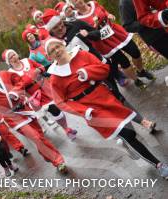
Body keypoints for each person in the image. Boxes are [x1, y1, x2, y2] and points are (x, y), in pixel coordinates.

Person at [44, 38, 168, 178]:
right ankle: (159, 165)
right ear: (49, 56)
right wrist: (83, 111)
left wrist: (87, 72)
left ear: (63, 45)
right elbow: (61, 103)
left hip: (106, 97)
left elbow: (104, 69)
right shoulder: (55, 77)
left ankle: (128, 143)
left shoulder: (82, 54)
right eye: (52, 51)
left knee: (129, 131)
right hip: (92, 111)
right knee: (129, 135)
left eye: (57, 46)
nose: (56, 51)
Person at [41, 8, 156, 131]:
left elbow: (98, 34)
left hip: (99, 67)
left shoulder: (76, 25)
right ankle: (127, 130)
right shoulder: (53, 44)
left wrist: (88, 34)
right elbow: (56, 64)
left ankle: (142, 122)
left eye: (60, 23)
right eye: (56, 27)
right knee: (109, 103)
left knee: (116, 96)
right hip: (82, 80)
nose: (60, 27)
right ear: (51, 30)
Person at [0, 63, 68, 173]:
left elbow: (20, 81)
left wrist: (15, 91)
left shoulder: (5, 74)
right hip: (13, 117)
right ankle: (58, 161)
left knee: (40, 136)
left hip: (25, 109)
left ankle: (47, 155)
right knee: (36, 138)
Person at [71, 0, 155, 89]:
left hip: (115, 32)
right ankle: (136, 80)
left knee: (135, 51)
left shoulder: (93, 4)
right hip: (103, 42)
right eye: (74, 1)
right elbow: (87, 34)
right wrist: (95, 26)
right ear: (73, 6)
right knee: (124, 62)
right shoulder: (77, 21)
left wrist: (108, 15)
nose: (78, 1)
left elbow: (103, 11)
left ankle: (141, 71)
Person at [2, 49, 77, 140]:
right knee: (42, 114)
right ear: (8, 62)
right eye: (10, 57)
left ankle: (66, 129)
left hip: (44, 87)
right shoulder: (10, 73)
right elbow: (16, 88)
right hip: (32, 96)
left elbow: (41, 67)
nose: (13, 57)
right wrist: (26, 82)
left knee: (55, 109)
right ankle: (45, 125)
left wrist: (38, 70)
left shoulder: (27, 60)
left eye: (14, 54)